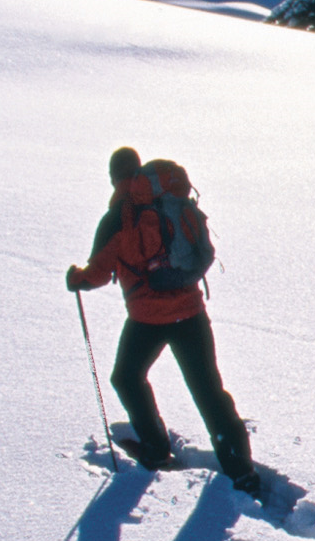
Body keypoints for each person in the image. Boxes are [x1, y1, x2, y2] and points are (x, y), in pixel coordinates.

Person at [65, 146, 260, 495]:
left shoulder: (116, 219)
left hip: (147, 320)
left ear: (113, 178)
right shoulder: (169, 203)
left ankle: (155, 447)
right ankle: (241, 470)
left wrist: (76, 278)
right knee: (208, 391)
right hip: (191, 313)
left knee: (127, 377)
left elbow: (96, 274)